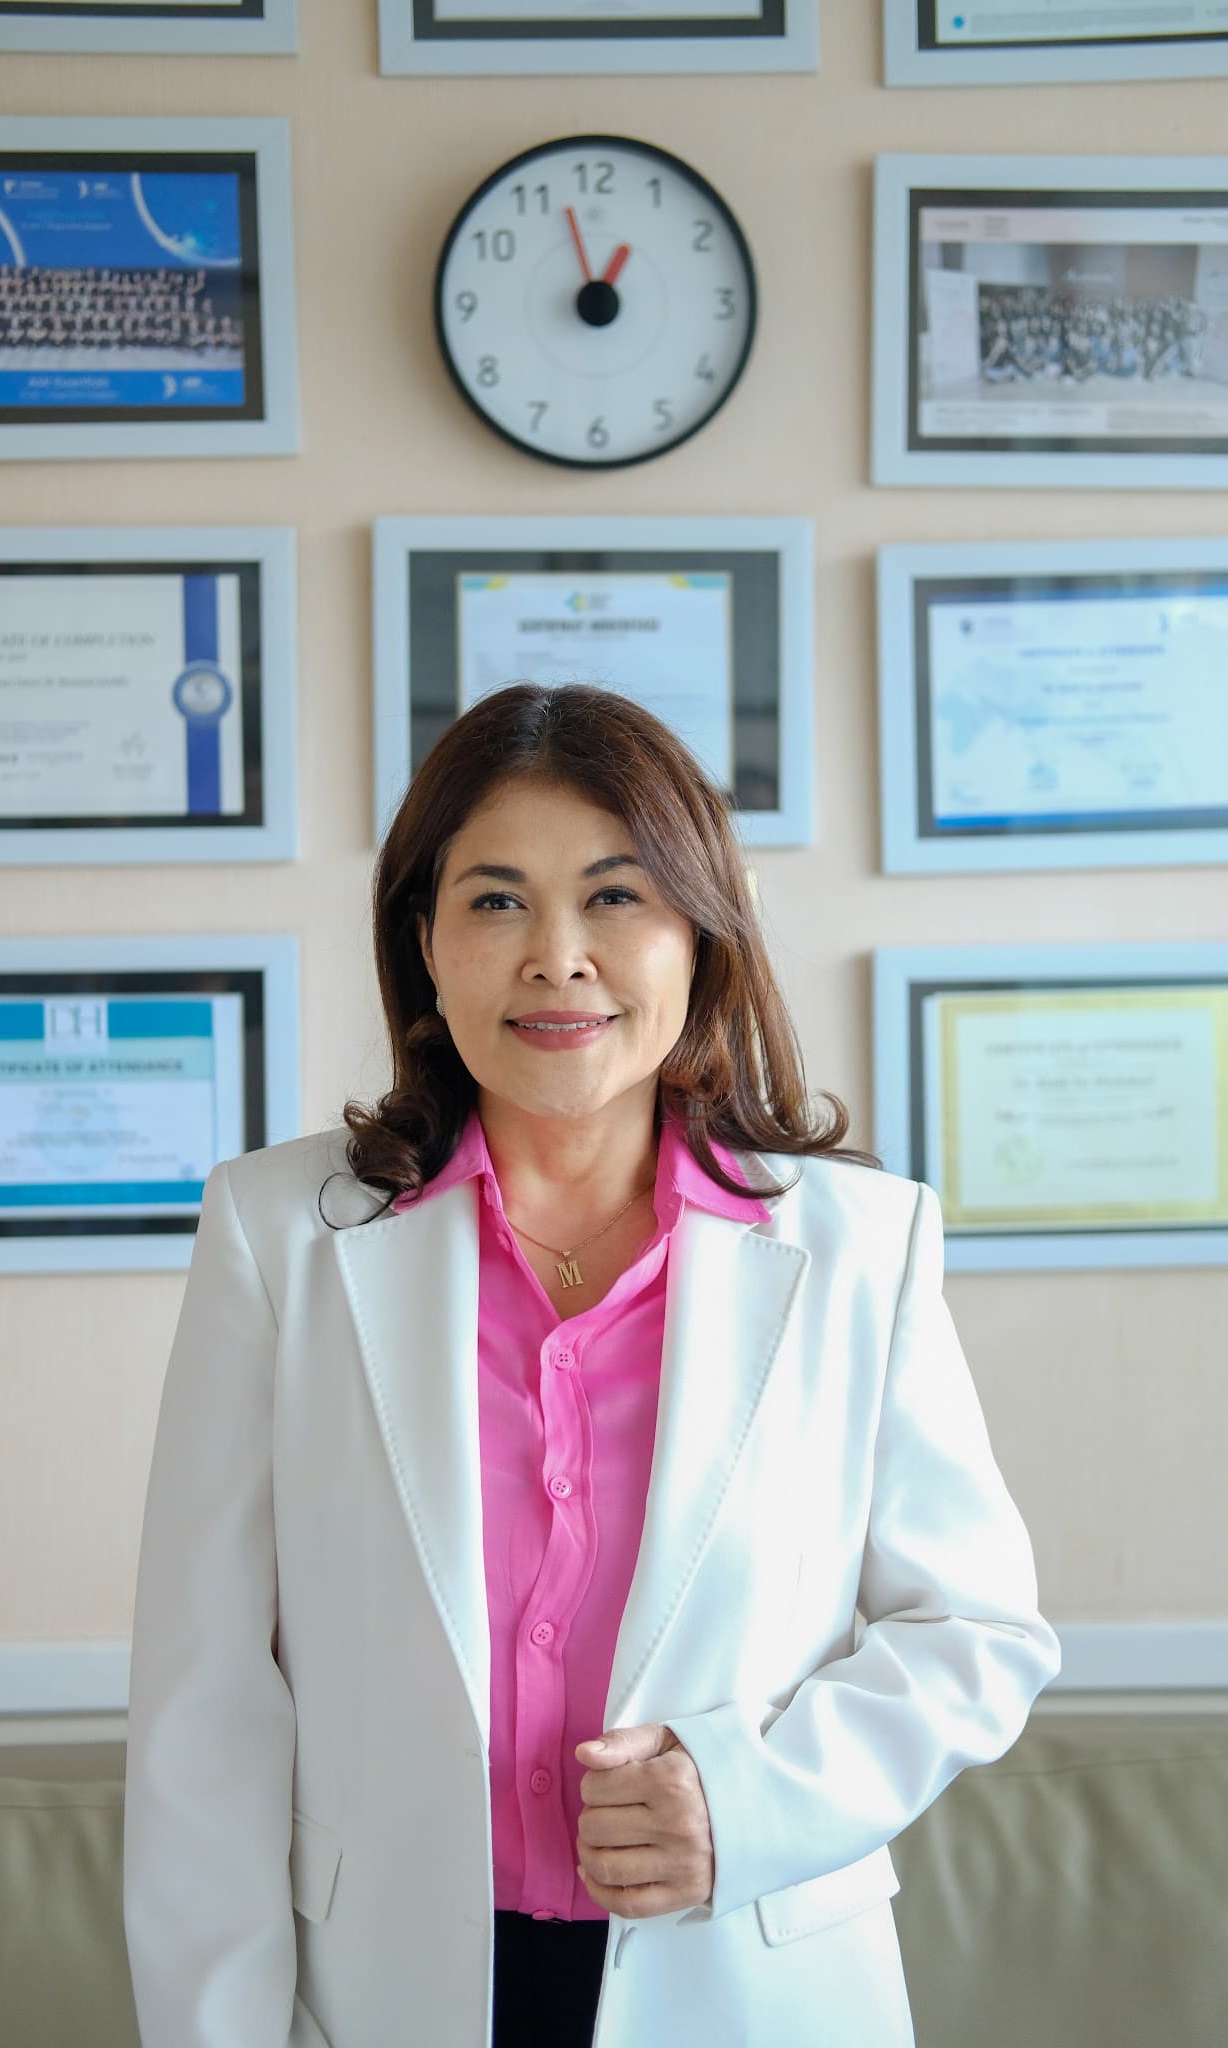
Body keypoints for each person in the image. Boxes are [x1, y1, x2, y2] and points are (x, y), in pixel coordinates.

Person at [121, 683, 1061, 2048]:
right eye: (496, 901)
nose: (557, 958)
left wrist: (745, 1797)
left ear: (700, 937)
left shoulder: (862, 1246)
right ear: (424, 949)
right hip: (382, 1991)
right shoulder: (279, 1236)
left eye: (616, 898)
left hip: (752, 1978)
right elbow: (202, 1704)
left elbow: (976, 1634)